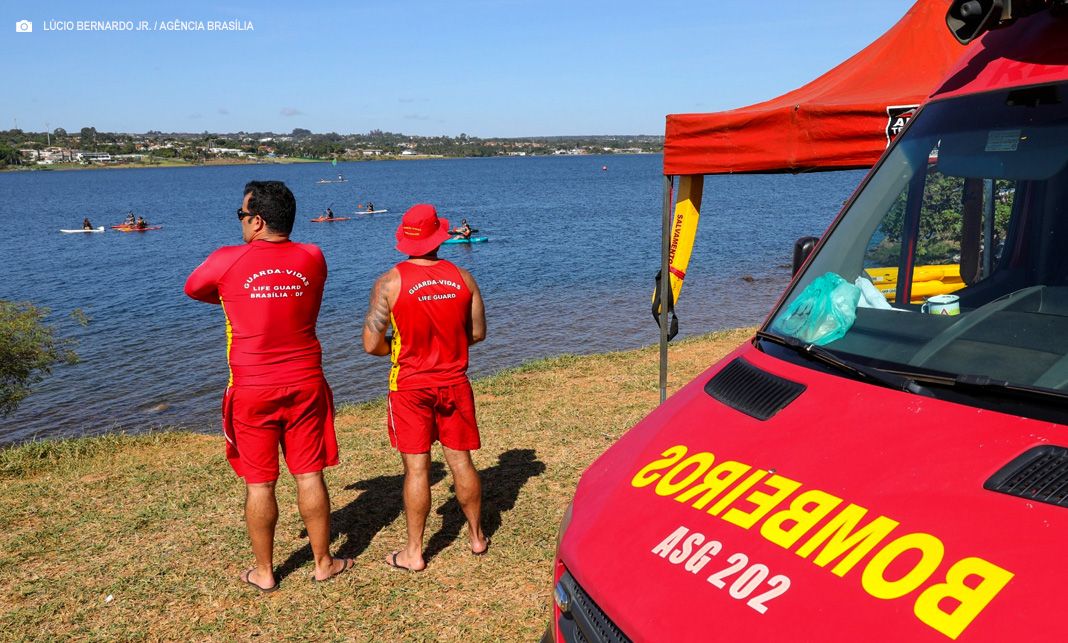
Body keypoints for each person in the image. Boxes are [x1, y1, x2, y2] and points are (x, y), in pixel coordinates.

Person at [185, 180, 352, 591]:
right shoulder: (313, 256)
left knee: (259, 482)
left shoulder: (226, 260)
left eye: (242, 215)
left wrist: (237, 296)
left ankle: (264, 572)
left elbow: (193, 288)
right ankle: (323, 562)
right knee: (309, 475)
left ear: (257, 221)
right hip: (306, 381)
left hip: (252, 388)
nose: (240, 221)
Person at [363, 203, 488, 571]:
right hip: (453, 382)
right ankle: (477, 537)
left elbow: (371, 344)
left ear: (405, 239)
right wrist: (447, 344)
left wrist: (400, 349)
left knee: (417, 469)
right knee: (461, 461)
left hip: (410, 386)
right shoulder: (464, 278)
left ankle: (414, 552)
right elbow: (478, 333)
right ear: (439, 237)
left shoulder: (389, 283)